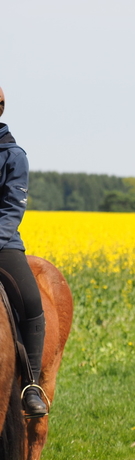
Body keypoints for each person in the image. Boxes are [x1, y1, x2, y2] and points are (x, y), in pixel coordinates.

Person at [0, 86, 49, 417]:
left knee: (31, 302)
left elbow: (10, 210)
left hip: (1, 245)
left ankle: (31, 385)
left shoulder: (14, 156)